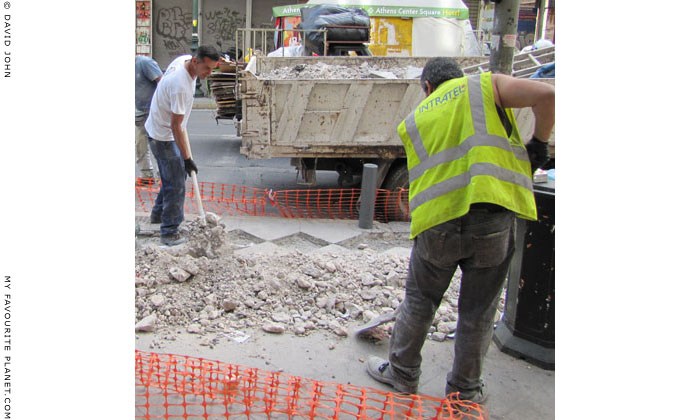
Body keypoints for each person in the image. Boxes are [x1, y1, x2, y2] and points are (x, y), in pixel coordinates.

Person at [364, 57, 555, 407]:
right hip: (491, 216)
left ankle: (402, 374)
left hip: (437, 223)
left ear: (427, 88)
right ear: (458, 77)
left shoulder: (414, 119)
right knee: (478, 310)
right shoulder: (484, 86)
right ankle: (464, 393)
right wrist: (539, 143)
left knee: (420, 300)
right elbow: (548, 95)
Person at [145, 45, 220, 246]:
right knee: (176, 183)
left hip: (158, 128)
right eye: (207, 69)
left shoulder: (185, 60)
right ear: (196, 61)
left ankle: (158, 214)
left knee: (172, 177)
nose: (209, 74)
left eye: (213, 69)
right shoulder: (181, 87)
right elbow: (176, 126)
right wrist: (187, 159)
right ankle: (169, 232)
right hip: (163, 136)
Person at [135, 55, 163, 182]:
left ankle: (164, 175)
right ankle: (147, 176)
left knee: (157, 146)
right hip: (140, 112)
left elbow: (162, 83)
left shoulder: (144, 63)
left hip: (153, 111)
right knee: (140, 145)